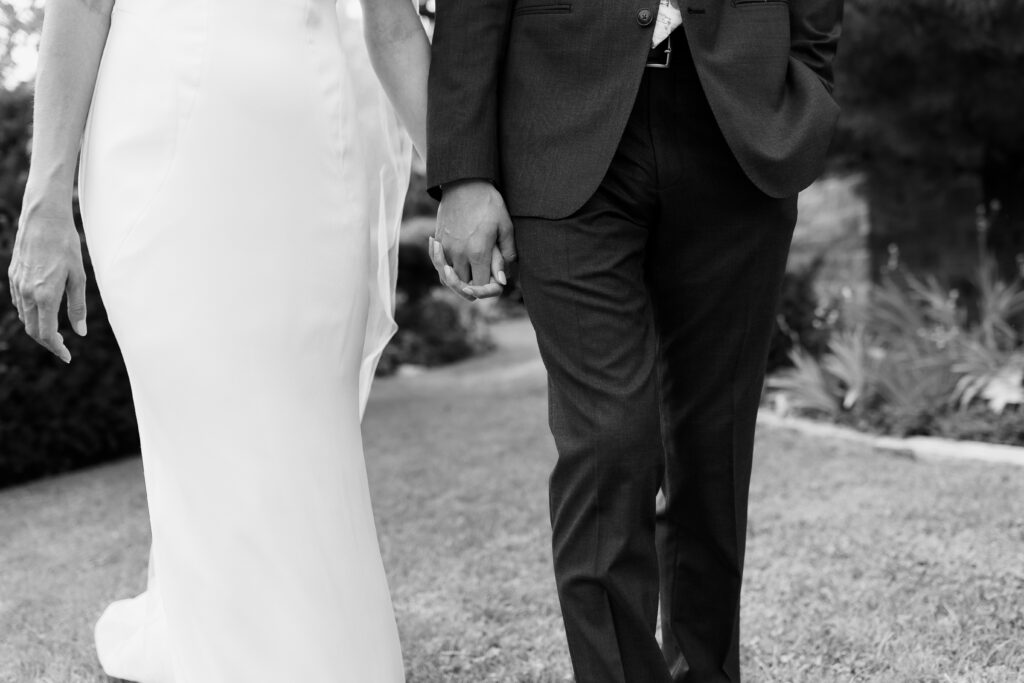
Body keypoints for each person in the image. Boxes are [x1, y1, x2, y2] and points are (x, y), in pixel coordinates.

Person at [7, 0, 430, 680]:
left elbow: (396, 26)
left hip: (312, 144)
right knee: (207, 422)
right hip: (159, 137)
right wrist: (47, 197)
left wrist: (464, 184)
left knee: (306, 435)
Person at [427, 1, 845, 681]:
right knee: (608, 438)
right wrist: (465, 169)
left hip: (740, 125)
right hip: (558, 124)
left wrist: (809, 83)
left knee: (713, 450)